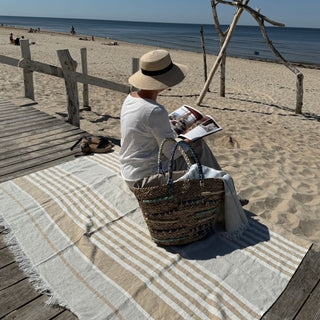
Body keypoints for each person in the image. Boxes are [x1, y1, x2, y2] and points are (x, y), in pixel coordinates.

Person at [119, 49, 223, 189]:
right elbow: (171, 154)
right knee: (199, 145)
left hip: (129, 170)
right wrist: (189, 140)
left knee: (193, 147)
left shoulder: (130, 98)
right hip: (145, 178)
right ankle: (223, 187)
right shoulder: (155, 110)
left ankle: (221, 185)